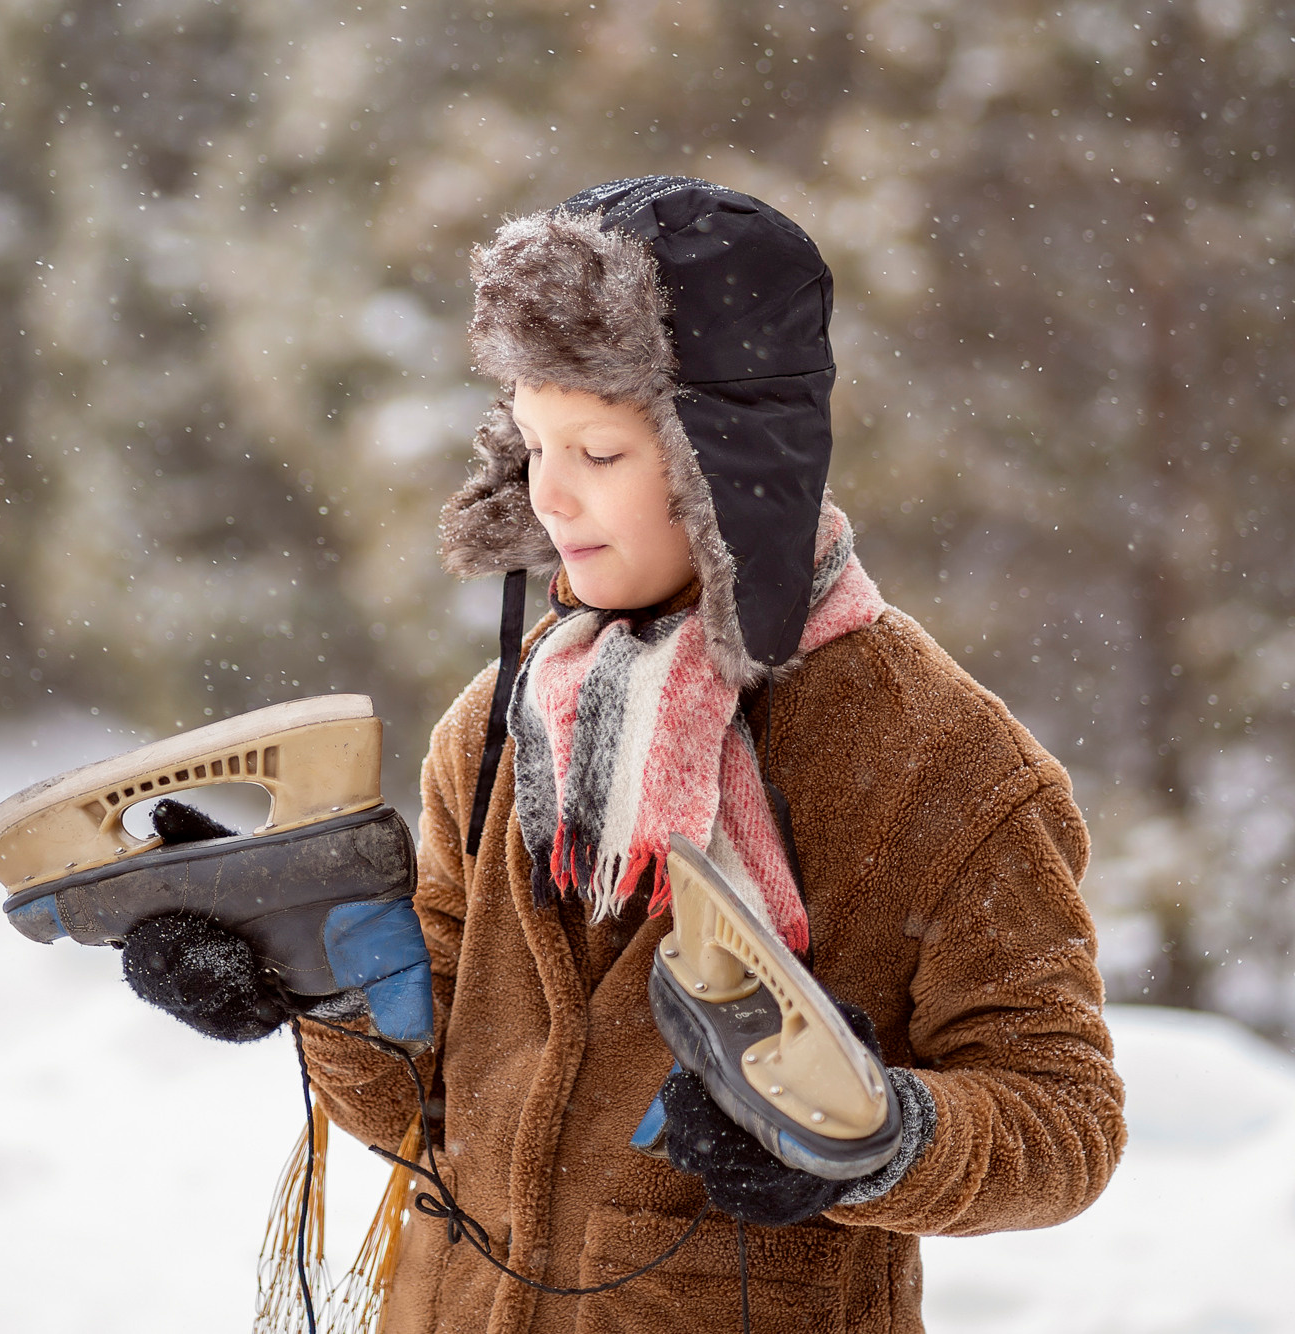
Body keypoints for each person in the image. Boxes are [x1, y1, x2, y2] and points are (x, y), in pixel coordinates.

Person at [128, 176, 1125, 1333]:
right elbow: (431, 1096)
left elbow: (1064, 1120)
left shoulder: (942, 768)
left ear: (729, 466)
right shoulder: (501, 722)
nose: (546, 494)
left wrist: (870, 1134)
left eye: (596, 450)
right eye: (530, 439)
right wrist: (304, 968)